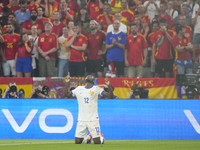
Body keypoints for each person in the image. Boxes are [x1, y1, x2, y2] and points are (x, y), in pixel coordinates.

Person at [64, 73, 114, 144]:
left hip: (93, 119)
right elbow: (66, 95)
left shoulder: (96, 89)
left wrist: (109, 86)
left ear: (92, 82)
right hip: (82, 119)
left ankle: (101, 138)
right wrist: (66, 83)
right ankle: (88, 137)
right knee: (77, 142)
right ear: (85, 81)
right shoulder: (79, 89)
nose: (88, 83)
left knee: (97, 142)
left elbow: (111, 97)